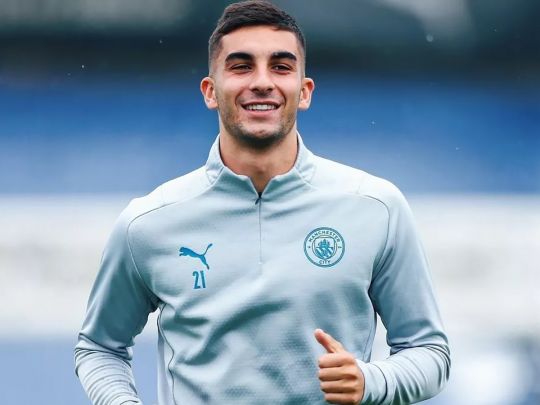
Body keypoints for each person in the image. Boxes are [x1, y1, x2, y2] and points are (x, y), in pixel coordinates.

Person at [74, 1, 450, 404]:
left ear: (304, 92)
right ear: (210, 91)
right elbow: (100, 347)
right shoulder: (148, 223)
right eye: (241, 66)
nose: (262, 82)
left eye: (281, 67)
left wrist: (370, 380)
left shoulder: (375, 207)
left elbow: (429, 352)